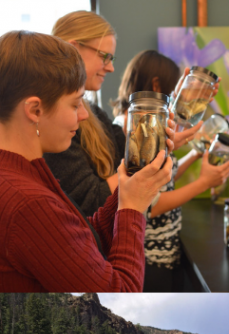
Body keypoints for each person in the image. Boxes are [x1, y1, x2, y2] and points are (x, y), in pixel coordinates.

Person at [0, 30, 172, 291]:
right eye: (75, 104)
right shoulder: (29, 203)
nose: (83, 116)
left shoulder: (23, 175)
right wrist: (133, 210)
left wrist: (129, 191)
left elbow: (76, 240)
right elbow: (121, 295)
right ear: (35, 110)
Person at [46, 11, 201, 217]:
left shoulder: (95, 113)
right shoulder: (55, 123)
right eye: (105, 57)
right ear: (74, 49)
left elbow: (130, 155)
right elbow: (93, 200)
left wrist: (170, 110)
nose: (110, 68)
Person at [112, 50, 229, 291]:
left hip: (164, 253)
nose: (178, 94)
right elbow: (150, 203)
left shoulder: (149, 122)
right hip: (151, 260)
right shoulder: (133, 125)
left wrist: (196, 152)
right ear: (157, 84)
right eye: (174, 84)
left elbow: (161, 178)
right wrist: (203, 183)